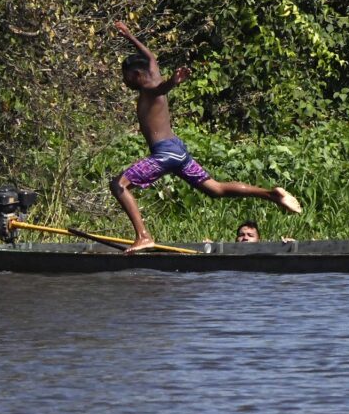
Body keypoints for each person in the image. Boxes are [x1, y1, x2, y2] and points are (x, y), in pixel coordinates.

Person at [110, 20, 302, 253]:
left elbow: (160, 89)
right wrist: (129, 35)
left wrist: (172, 82)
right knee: (215, 189)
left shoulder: (149, 89)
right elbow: (149, 55)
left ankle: (143, 236)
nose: (124, 81)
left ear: (137, 75)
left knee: (119, 185)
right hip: (178, 151)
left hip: (165, 153)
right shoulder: (152, 72)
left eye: (126, 76)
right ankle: (270, 194)